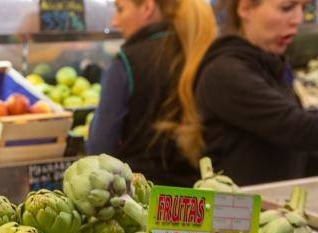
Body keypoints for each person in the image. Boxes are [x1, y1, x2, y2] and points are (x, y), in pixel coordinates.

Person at [86, 0, 217, 186]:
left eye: (120, 9)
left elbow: (100, 146)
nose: (115, 21)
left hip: (143, 199)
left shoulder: (127, 61)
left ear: (147, 7)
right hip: (199, 197)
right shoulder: (201, 52)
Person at [195, 0, 318, 185]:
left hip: (271, 205)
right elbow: (294, 127)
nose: (298, 19)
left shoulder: (270, 65)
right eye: (287, 8)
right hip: (236, 211)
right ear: (245, 8)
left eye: (303, 8)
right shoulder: (225, 73)